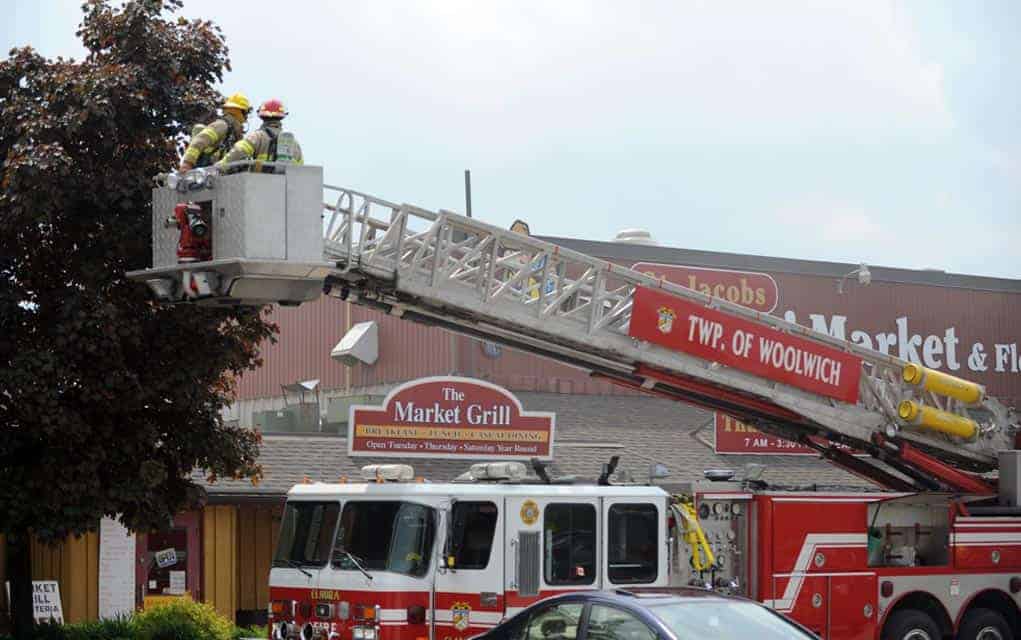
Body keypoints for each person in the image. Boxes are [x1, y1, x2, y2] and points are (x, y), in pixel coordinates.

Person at [218, 98, 303, 171]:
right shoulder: (294, 144)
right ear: (282, 116)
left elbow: (239, 151)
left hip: (258, 184)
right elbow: (301, 170)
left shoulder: (258, 136)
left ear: (262, 116)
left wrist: (219, 167)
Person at [178, 92, 251, 172]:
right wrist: (187, 164)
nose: (246, 118)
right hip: (205, 174)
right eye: (246, 114)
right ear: (241, 112)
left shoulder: (234, 133)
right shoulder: (222, 125)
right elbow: (199, 141)